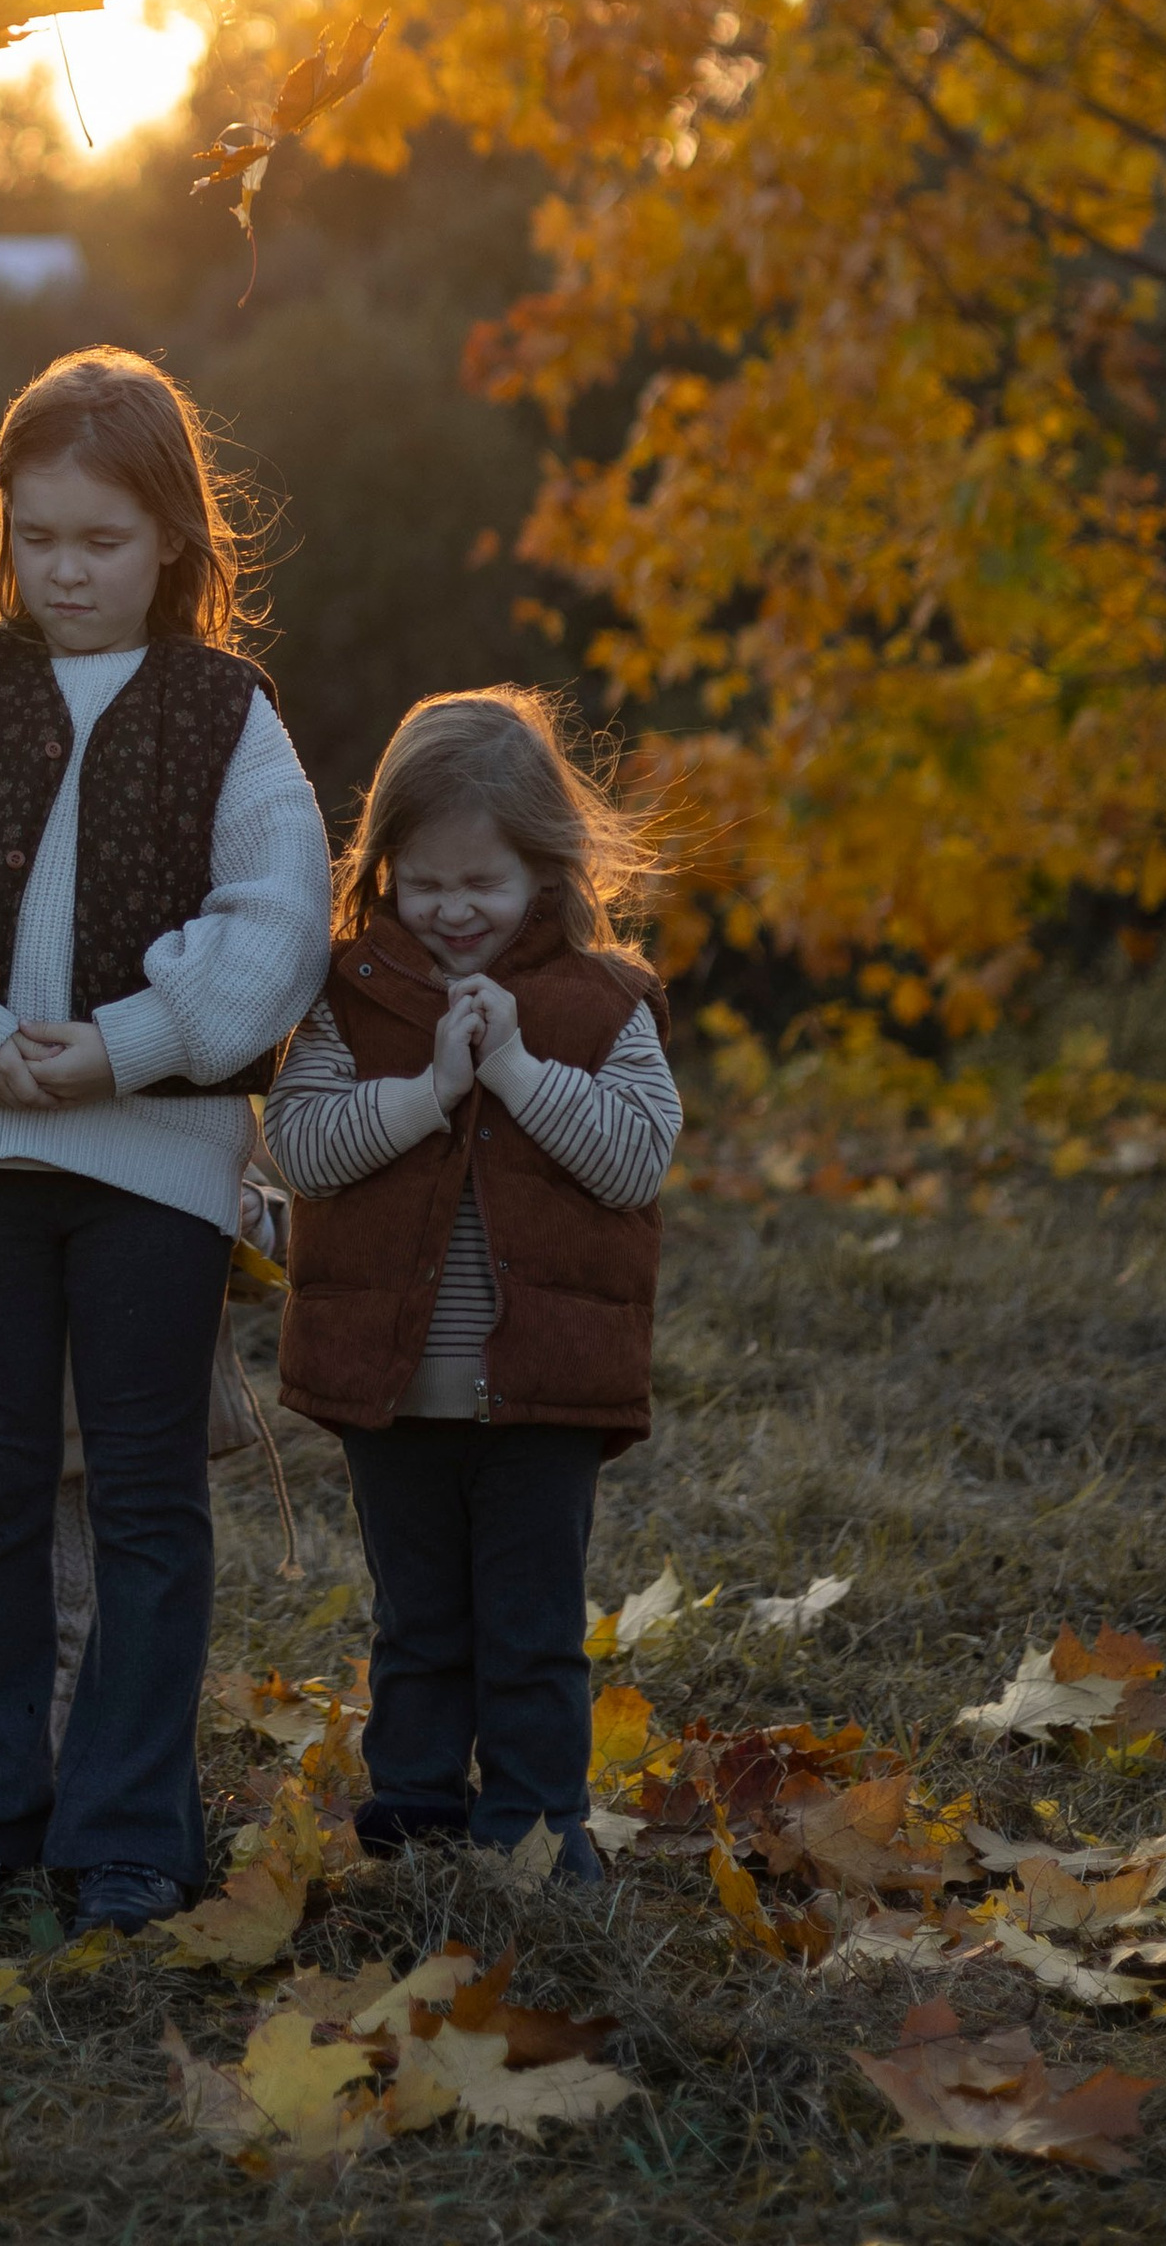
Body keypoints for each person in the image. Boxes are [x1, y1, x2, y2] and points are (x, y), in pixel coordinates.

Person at [0, 349, 330, 1928]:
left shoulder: (225, 712)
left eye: (102, 540)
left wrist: (124, 1045)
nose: (67, 571)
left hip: (155, 1164)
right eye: (37, 536)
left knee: (144, 1491)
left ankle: (129, 1829)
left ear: (172, 537)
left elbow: (275, 919)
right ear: (4, 531)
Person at [263, 688, 680, 1881]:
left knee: (532, 1629)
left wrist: (513, 1066)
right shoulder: (353, 998)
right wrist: (432, 1090)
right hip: (390, 1384)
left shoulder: (606, 1006)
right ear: (384, 866)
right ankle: (416, 1823)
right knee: (418, 1623)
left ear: (544, 874)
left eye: (481, 886)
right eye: (423, 882)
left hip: (545, 1387)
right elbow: (303, 1145)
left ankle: (538, 1834)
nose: (451, 913)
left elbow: (633, 1157)